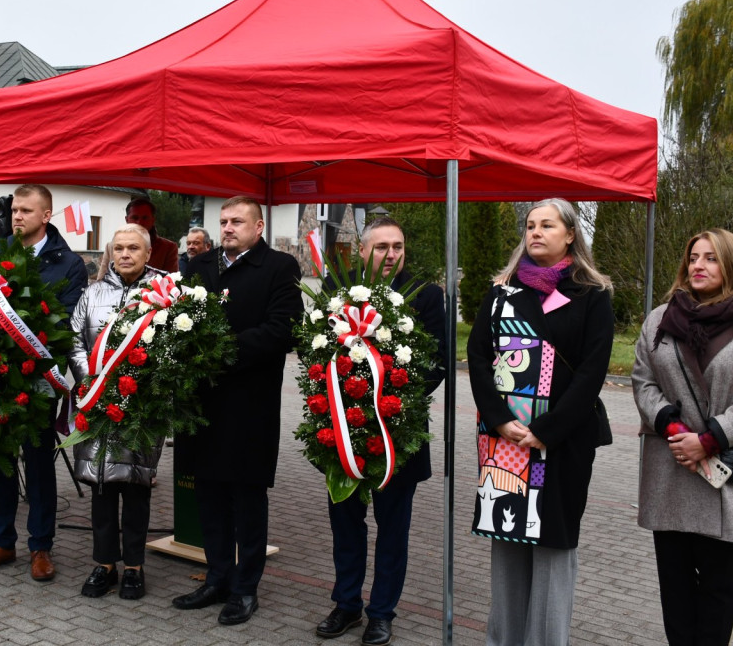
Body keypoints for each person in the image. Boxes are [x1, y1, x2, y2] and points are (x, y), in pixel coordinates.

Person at [467, 197, 613, 646]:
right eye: (530, 225)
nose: (535, 232)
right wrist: (499, 420)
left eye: (547, 225)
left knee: (552, 545)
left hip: (562, 443)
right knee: (509, 540)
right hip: (505, 442)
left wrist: (544, 431)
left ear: (570, 234)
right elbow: (476, 356)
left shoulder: (592, 295)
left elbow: (592, 372)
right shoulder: (502, 292)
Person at [315, 217, 446, 646]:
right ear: (364, 251)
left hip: (397, 430)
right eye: (382, 247)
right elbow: (314, 350)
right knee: (346, 524)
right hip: (344, 431)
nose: (392, 255)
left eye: (398, 247)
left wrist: (384, 400)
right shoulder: (337, 294)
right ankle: (347, 604)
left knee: (393, 529)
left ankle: (382, 612)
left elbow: (436, 361)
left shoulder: (426, 296)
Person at [173, 196, 303, 625]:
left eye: (237, 221)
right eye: (223, 221)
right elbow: (178, 320)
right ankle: (216, 578)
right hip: (202, 403)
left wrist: (219, 351)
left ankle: (246, 588)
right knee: (208, 494)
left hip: (250, 404)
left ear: (259, 226)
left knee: (246, 499)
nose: (228, 227)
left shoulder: (279, 267)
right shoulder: (199, 266)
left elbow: (282, 330)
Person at [0, 184, 87, 580]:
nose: (17, 216)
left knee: (38, 464)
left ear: (46, 215)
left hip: (38, 378)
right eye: (14, 210)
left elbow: (66, 320)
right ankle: (2, 542)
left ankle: (41, 547)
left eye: (26, 210)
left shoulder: (67, 262)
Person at [632, 228, 733, 645]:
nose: (698, 265)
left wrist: (708, 440)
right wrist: (674, 430)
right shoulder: (659, 318)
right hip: (671, 470)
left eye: (711, 258)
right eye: (694, 257)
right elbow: (642, 380)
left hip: (722, 477)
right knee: (675, 594)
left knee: (718, 594)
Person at [66, 224, 165, 600]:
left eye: (133, 248)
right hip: (98, 404)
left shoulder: (163, 293)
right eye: (119, 248)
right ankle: (104, 564)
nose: (125, 254)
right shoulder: (91, 294)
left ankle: (135, 568)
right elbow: (75, 338)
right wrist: (91, 379)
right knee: (101, 487)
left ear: (147, 254)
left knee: (136, 488)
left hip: (141, 407)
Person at [125, 198, 179, 273]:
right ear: (127, 220)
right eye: (135, 218)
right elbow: (103, 280)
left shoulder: (168, 248)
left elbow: (171, 281)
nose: (140, 222)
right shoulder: (111, 247)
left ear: (153, 220)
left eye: (145, 218)